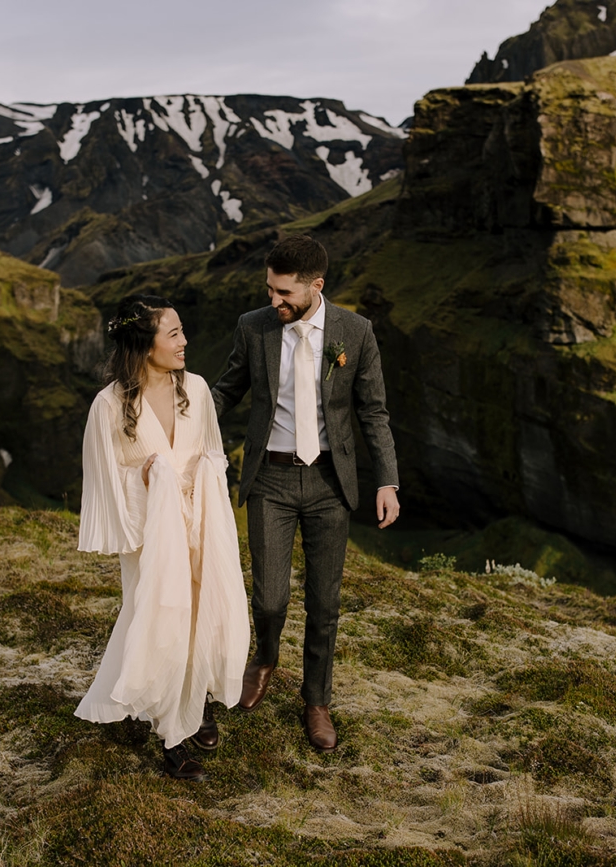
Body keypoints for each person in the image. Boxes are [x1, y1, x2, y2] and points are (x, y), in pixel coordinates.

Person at [212, 234, 400, 752]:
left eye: (284, 293)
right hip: (268, 479)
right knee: (269, 597)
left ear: (317, 286)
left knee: (325, 602)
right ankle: (265, 658)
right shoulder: (253, 328)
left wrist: (387, 480)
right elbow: (228, 388)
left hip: (328, 484)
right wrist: (178, 411)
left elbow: (373, 411)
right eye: (270, 290)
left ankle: (316, 701)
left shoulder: (355, 332)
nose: (274, 302)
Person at [74, 294, 249, 782]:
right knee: (162, 621)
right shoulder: (109, 406)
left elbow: (213, 453)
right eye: (172, 333)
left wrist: (204, 480)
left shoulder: (195, 388)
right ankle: (172, 733)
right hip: (154, 536)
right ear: (143, 343)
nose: (185, 341)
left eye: (182, 330)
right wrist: (151, 482)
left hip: (203, 523)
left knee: (208, 608)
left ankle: (200, 699)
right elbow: (106, 482)